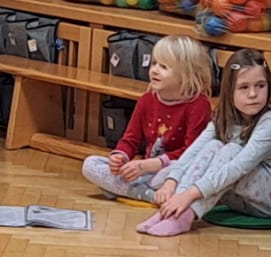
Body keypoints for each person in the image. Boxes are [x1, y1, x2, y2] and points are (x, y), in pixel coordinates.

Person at [138, 48, 271, 236]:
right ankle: (171, 212)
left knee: (231, 150)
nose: (253, 94)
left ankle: (184, 215)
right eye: (244, 87)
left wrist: (189, 195)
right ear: (229, 90)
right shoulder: (223, 118)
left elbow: (239, 166)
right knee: (213, 146)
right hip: (243, 200)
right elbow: (194, 151)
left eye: (260, 86)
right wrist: (172, 181)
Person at [79, 36, 211, 201]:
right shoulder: (147, 100)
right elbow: (130, 139)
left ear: (186, 73)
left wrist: (154, 164)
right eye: (154, 63)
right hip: (146, 170)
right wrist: (120, 157)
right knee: (90, 164)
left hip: (174, 169)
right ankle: (148, 194)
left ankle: (125, 189)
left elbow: (192, 152)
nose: (154, 70)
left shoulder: (198, 104)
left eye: (164, 66)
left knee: (180, 173)